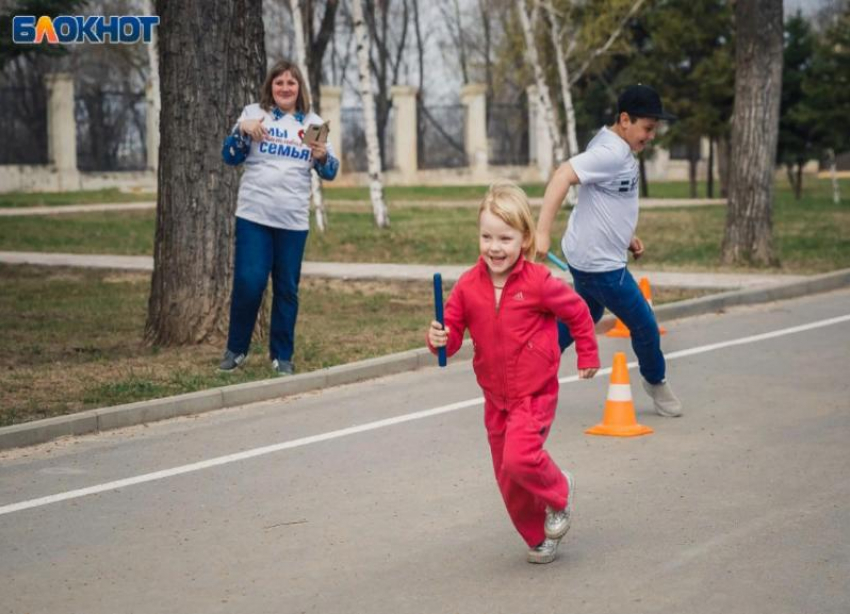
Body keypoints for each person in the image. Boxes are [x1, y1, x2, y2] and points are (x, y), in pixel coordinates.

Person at [427, 181, 600, 565]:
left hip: (534, 393)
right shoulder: (468, 287)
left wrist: (587, 352)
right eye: (487, 236)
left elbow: (577, 311)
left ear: (524, 238)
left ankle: (559, 490)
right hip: (496, 399)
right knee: (508, 476)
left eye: (504, 238)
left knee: (521, 459)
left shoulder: (538, 282)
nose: (494, 247)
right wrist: (439, 337)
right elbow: (452, 335)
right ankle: (539, 537)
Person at [535, 84, 683, 417]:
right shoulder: (611, 152)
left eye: (654, 129)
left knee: (585, 315)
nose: (651, 136)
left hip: (591, 255)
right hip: (600, 265)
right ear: (625, 120)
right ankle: (655, 382)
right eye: (647, 128)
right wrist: (541, 232)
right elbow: (562, 176)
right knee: (643, 323)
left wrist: (626, 236)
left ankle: (532, 363)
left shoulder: (611, 144)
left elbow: (607, 198)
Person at [218, 60, 339, 376]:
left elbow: (330, 172)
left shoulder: (313, 123)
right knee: (250, 282)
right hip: (254, 215)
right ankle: (236, 349)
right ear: (270, 87)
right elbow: (230, 157)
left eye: (291, 83)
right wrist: (240, 132)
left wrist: (323, 156)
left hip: (293, 221)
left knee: (286, 288)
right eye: (279, 83)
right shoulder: (253, 114)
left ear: (300, 88)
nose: (285, 88)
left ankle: (281, 355)